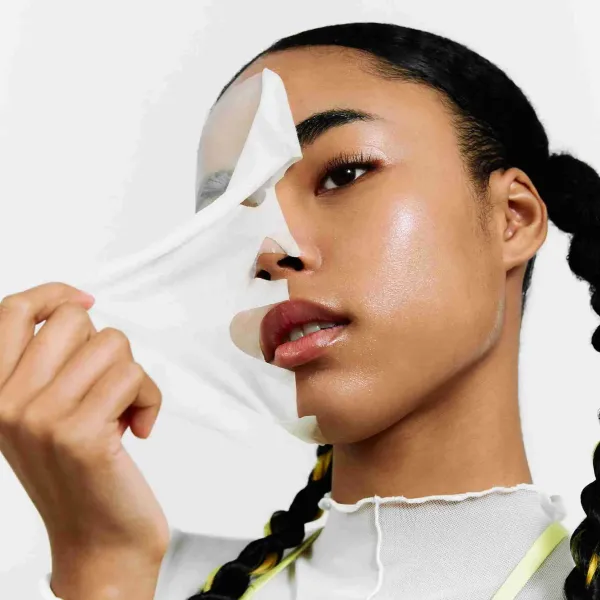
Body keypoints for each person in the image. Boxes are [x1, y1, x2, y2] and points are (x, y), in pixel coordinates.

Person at [1, 20, 597, 600]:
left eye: (343, 174)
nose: (267, 250)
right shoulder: (139, 576)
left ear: (513, 218)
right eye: (234, 213)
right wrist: (102, 569)